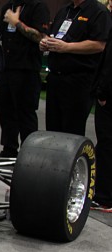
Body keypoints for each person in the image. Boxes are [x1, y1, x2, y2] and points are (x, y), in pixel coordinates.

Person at [39, 0, 111, 136]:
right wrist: (46, 42)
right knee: (53, 129)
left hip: (79, 80)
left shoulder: (98, 12)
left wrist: (67, 47)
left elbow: (100, 45)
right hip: (56, 78)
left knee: (71, 130)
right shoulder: (64, 10)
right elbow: (53, 35)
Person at [0, 0, 50, 158]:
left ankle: (29, 153)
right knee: (5, 111)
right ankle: (9, 150)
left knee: (26, 113)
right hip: (7, 68)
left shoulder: (38, 7)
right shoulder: (8, 7)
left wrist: (17, 23)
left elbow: (41, 37)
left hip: (27, 69)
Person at [91, 4, 112, 212]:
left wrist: (102, 92)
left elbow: (109, 63)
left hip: (108, 98)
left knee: (106, 144)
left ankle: (105, 197)